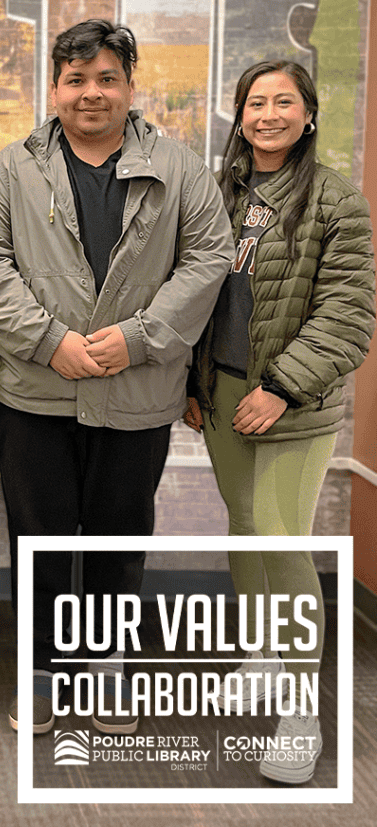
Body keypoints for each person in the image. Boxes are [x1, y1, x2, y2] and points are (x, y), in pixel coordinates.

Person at [0, 19, 234, 735]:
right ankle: (46, 675)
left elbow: (209, 258)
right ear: (55, 89)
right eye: (76, 79)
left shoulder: (180, 168)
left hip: (137, 393)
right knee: (41, 534)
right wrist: (51, 341)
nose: (92, 93)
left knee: (118, 535)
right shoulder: (11, 169)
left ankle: (106, 677)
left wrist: (140, 340)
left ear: (130, 86)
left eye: (107, 78)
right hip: (35, 393)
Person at [185, 60, 375, 784]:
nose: (268, 114)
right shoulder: (221, 193)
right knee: (243, 525)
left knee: (281, 535)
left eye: (282, 102)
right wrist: (193, 384)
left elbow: (349, 313)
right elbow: (197, 291)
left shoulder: (336, 202)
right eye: (255, 103)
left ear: (309, 113)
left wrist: (283, 388)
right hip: (224, 392)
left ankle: (302, 716)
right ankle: (264, 654)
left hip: (289, 403)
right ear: (240, 115)